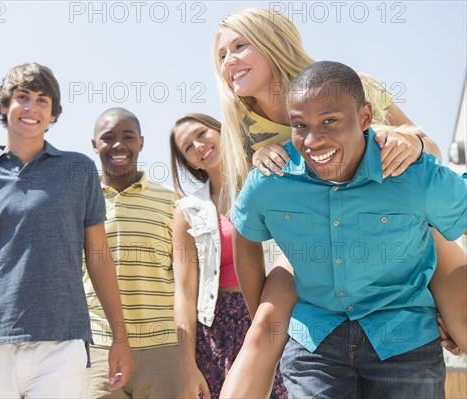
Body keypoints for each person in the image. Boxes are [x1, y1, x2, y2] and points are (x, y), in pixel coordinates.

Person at [214, 8, 467, 397]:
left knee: (461, 323)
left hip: (398, 225)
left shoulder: (351, 83)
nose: (229, 60)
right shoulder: (245, 128)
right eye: (221, 55)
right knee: (263, 328)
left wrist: (410, 140)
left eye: (239, 45)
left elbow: (429, 148)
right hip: (312, 246)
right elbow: (251, 217)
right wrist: (257, 159)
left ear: (271, 40)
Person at [0, 64, 132, 398]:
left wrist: (120, 335)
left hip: (63, 343)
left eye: (42, 101)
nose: (32, 108)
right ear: (4, 106)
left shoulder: (79, 170)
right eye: (22, 98)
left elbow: (99, 257)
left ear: (53, 114)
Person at [169, 113, 287, 399]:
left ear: (220, 131)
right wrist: (186, 365)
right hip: (217, 330)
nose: (198, 145)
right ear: (189, 163)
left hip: (277, 313)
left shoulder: (270, 179)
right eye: (187, 147)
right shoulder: (187, 212)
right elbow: (184, 292)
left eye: (201, 133)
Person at [84, 107, 181, 399]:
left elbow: (189, 277)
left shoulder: (171, 202)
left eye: (127, 137)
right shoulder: (80, 203)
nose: (118, 145)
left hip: (163, 349)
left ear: (141, 142)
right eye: (108, 137)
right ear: (94, 145)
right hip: (98, 347)